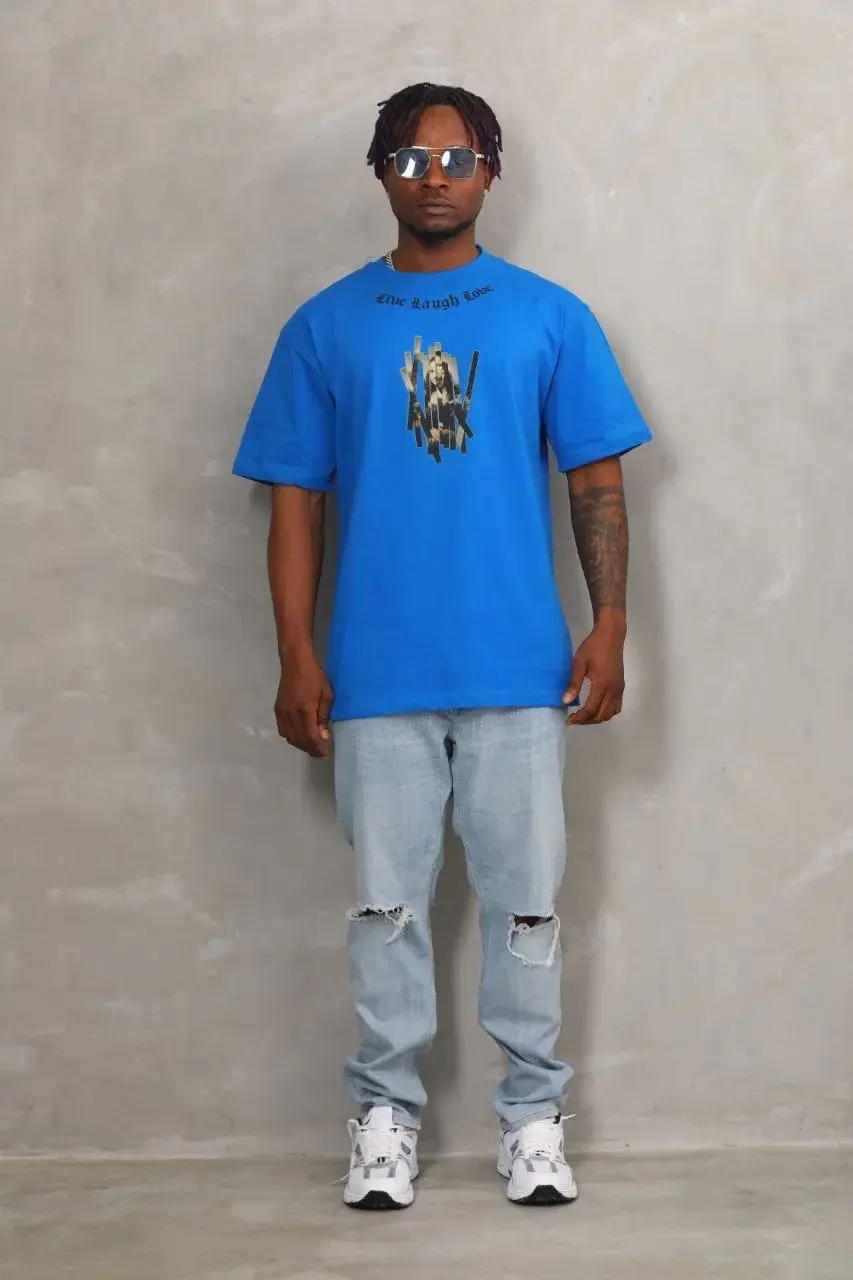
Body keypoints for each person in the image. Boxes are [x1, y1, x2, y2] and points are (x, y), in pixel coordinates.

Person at [233, 82, 652, 1211]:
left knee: (528, 907)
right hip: (377, 675)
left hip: (520, 668)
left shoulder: (548, 316)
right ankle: (383, 1119)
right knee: (386, 912)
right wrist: (295, 653)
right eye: (411, 160)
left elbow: (597, 480)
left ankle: (532, 1120)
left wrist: (611, 621)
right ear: (381, 171)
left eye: (456, 158)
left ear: (489, 172)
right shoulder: (325, 325)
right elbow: (294, 504)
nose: (434, 179)